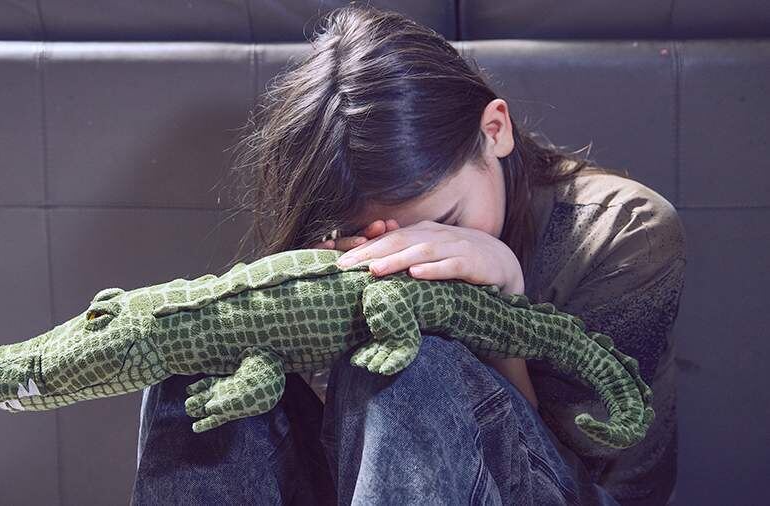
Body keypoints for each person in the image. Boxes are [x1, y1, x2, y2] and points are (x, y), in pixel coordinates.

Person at [131, 5, 686, 505]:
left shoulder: (622, 231)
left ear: (494, 131)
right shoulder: (337, 225)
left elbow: (580, 470)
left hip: (567, 488)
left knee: (409, 363)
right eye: (381, 236)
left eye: (446, 222)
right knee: (199, 362)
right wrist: (320, 330)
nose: (422, 253)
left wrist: (502, 310)